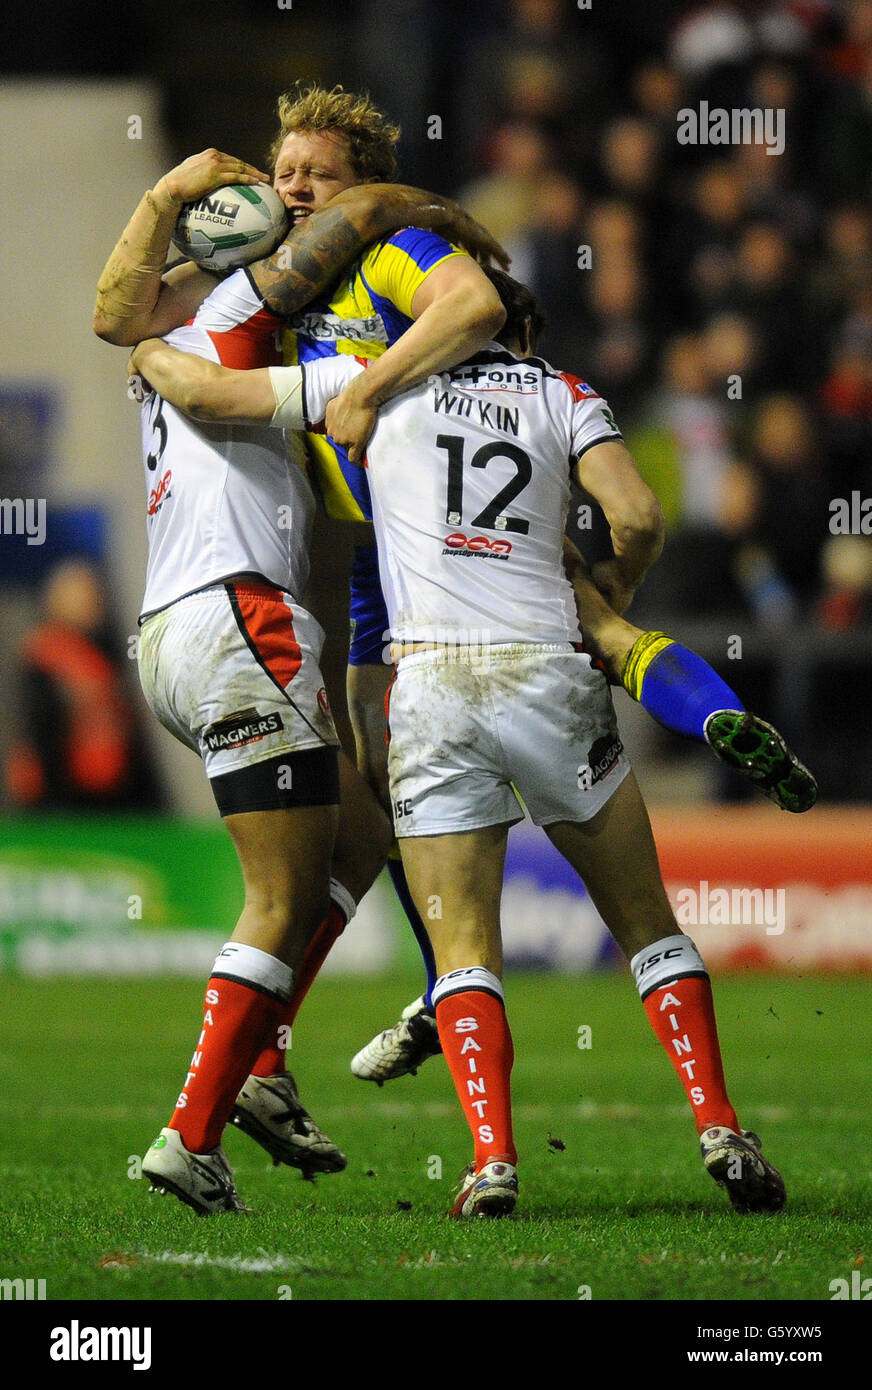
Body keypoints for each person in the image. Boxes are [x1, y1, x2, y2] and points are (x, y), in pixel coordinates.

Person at [127, 269, 796, 1220]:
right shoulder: (566, 392)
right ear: (530, 336)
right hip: (546, 671)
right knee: (648, 927)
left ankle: (492, 1162)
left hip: (431, 688)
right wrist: (611, 588)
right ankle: (720, 1123)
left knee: (464, 947)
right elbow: (640, 515)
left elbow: (211, 392)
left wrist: (149, 349)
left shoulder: (377, 378)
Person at [95, 130, 507, 1213]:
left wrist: (169, 202)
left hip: (178, 631)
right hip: (241, 618)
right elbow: (359, 224)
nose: (290, 205)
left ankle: (265, 1064)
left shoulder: (182, 323)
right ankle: (190, 1134)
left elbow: (117, 314)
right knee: (277, 896)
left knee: (362, 824)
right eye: (277, 182)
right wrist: (445, 223)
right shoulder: (233, 320)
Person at [4, 559, 166, 812]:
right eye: (79, 597)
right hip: (60, 795)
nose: (89, 604)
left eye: (92, 596)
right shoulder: (44, 655)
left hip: (112, 789)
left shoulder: (107, 651)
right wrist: (57, 798)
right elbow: (42, 729)